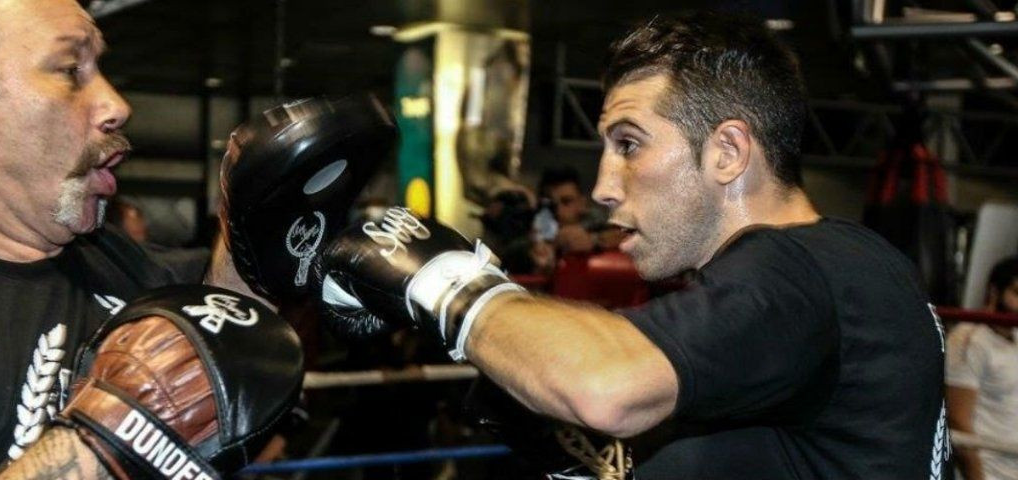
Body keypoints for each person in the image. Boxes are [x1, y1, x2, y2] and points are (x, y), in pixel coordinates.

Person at [315, 13, 948, 479]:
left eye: (629, 144)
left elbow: (606, 387)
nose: (603, 186)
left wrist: (441, 279)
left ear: (727, 152)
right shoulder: (858, 261)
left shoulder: (790, 269)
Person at [0, 1, 308, 478]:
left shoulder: (102, 254)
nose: (117, 105)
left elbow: (219, 329)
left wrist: (279, 236)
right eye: (71, 70)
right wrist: (108, 442)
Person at [947, 255, 1018, 480]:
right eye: (1017, 293)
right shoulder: (969, 339)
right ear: (994, 291)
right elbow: (958, 419)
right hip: (988, 472)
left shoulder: (1015, 336)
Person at [537, 167, 598, 254]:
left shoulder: (597, 223)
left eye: (566, 201)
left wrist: (594, 240)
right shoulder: (533, 231)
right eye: (550, 203)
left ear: (582, 203)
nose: (558, 210)